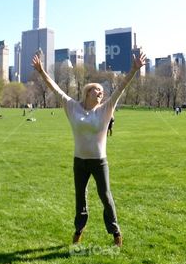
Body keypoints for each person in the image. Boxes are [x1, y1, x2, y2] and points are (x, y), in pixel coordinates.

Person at [32, 50, 146, 248]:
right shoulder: (72, 106)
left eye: (102, 91)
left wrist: (134, 70)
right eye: (97, 90)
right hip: (80, 161)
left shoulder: (106, 109)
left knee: (105, 196)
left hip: (99, 161)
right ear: (87, 93)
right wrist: (41, 72)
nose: (101, 93)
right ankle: (79, 230)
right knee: (80, 198)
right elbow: (56, 88)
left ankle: (115, 231)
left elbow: (120, 88)